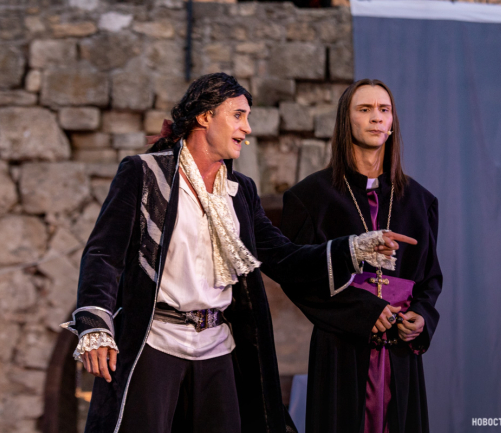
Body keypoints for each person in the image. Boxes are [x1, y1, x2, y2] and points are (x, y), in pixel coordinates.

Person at [60, 73, 414, 433]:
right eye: (238, 115)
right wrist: (95, 324)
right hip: (156, 342)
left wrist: (353, 247)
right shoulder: (145, 173)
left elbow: (284, 257)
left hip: (216, 346)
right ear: (205, 117)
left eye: (247, 117)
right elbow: (104, 254)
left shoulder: (240, 190)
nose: (247, 128)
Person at [280, 79, 443, 433]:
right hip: (341, 348)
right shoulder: (310, 198)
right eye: (365, 109)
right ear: (346, 120)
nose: (376, 117)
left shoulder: (420, 201)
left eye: (384, 110)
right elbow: (297, 278)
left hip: (399, 352)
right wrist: (363, 311)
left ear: (392, 123)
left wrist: (422, 316)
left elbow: (430, 278)